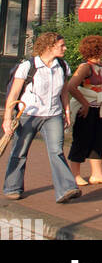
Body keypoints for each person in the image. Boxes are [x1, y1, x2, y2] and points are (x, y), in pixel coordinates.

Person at [2, 31, 81, 204]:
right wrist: (7, 119)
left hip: (53, 114)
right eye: (61, 45)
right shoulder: (28, 66)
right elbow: (14, 93)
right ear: (49, 46)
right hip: (29, 114)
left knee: (57, 151)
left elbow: (64, 91)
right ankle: (12, 188)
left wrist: (66, 112)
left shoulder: (62, 65)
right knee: (20, 152)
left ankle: (66, 189)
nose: (65, 48)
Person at [67, 34, 102, 187]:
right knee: (82, 140)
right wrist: (85, 104)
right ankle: (75, 175)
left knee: (98, 140)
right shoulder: (85, 67)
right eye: (101, 47)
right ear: (96, 50)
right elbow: (71, 86)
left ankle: (97, 173)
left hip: (100, 108)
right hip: (86, 109)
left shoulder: (101, 66)